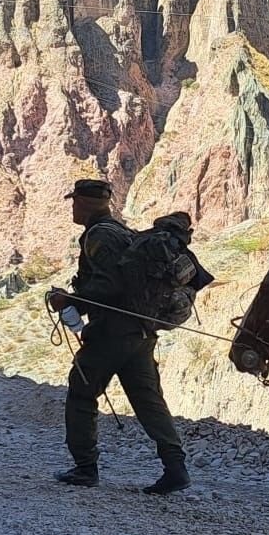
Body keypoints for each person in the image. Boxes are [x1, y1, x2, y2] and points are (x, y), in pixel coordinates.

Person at [50, 179, 190, 495]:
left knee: (82, 391)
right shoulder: (122, 232)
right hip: (141, 331)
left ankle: (85, 467)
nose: (72, 207)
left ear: (84, 203)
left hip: (112, 333)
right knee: (149, 400)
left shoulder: (99, 236)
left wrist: (69, 300)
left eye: (74, 201)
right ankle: (175, 467)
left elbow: (110, 286)